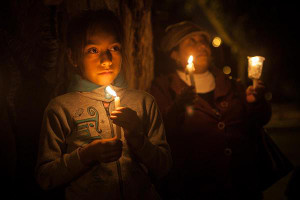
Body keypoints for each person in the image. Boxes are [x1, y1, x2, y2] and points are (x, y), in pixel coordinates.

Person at [35, 9, 172, 200]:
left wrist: (138, 138)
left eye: (114, 48)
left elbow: (163, 167)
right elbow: (45, 177)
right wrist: (86, 155)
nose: (106, 60)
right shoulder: (61, 108)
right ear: (72, 57)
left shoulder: (143, 102)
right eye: (93, 50)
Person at [150, 21, 272, 200]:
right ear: (174, 54)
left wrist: (256, 103)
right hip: (195, 189)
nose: (201, 45)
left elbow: (259, 120)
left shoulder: (230, 83)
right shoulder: (164, 88)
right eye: (191, 41)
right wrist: (178, 107)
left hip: (241, 186)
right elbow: (160, 131)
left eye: (203, 41)